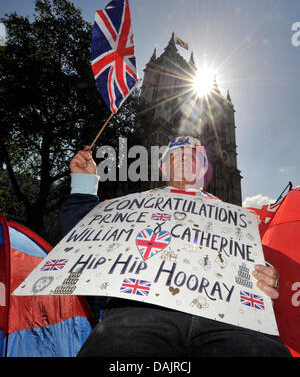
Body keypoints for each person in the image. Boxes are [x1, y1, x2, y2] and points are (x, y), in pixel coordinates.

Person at [60, 136, 291, 357]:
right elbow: (81, 236)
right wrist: (84, 183)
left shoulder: (232, 216)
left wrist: (263, 274)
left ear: (203, 170)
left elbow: (245, 260)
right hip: (141, 311)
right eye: (174, 156)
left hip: (226, 318)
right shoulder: (137, 203)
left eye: (192, 157)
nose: (182, 158)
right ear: (163, 168)